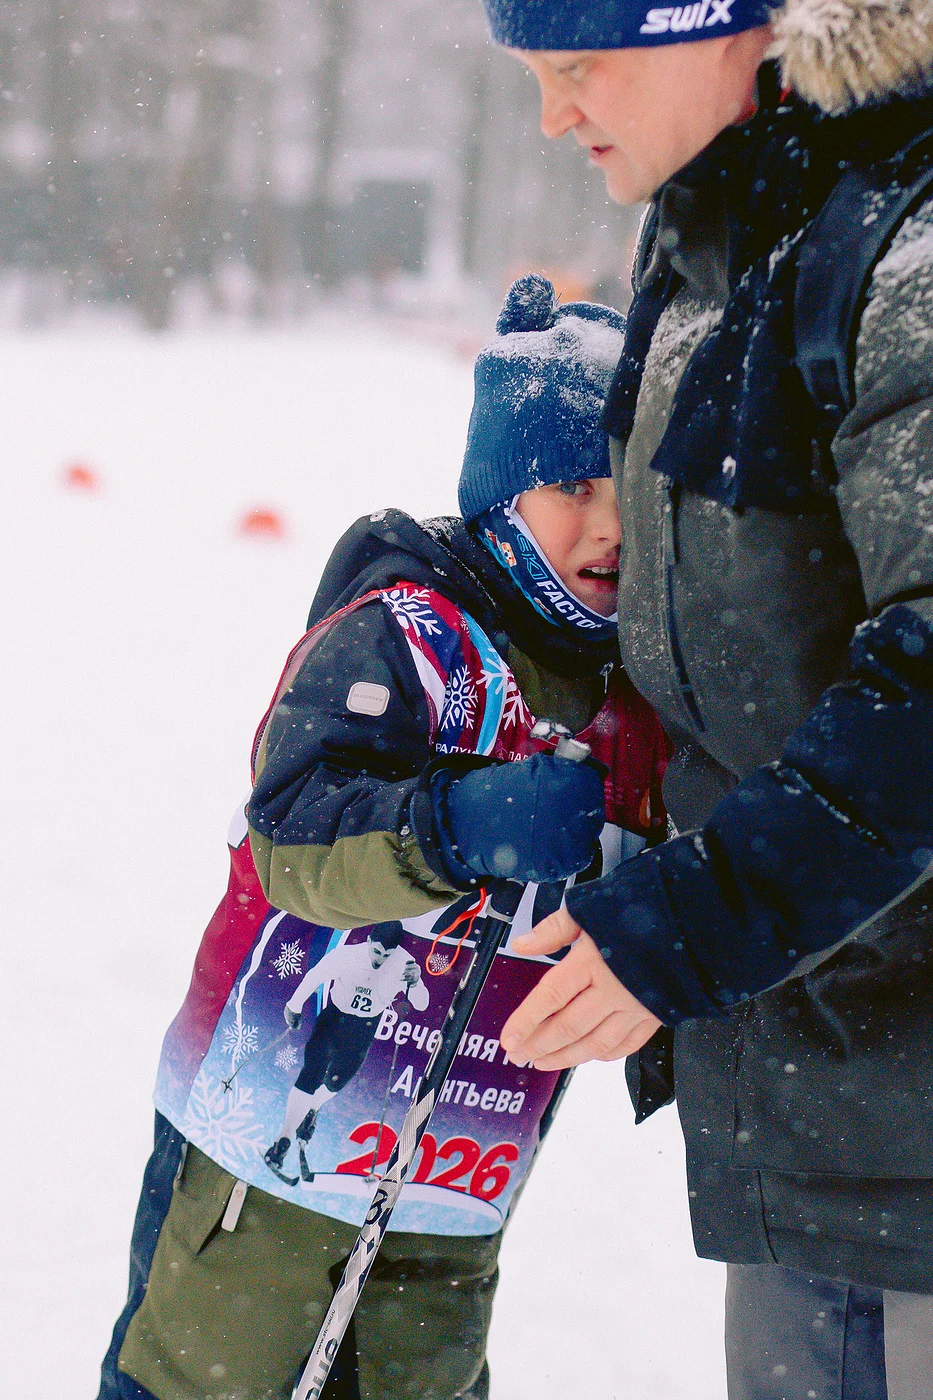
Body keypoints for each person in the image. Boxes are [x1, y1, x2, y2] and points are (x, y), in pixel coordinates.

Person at [96, 274, 672, 1400]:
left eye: (633, 491)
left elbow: (668, 886)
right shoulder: (401, 641)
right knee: (201, 1374)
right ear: (504, 488)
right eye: (571, 484)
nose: (608, 523)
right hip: (254, 1167)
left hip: (458, 1182)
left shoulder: (638, 699)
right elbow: (291, 839)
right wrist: (451, 823)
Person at [477, 0, 933, 1396]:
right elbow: (734, 639)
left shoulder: (909, 247)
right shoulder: (710, 244)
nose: (555, 113)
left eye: (580, 65)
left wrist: (695, 920)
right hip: (813, 1083)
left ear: (726, 25)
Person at [267, 925, 428, 1185]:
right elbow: (314, 976)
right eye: (376, 952)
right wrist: (293, 1007)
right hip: (334, 1019)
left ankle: (313, 1108)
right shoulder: (346, 956)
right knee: (312, 1073)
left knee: (336, 1082)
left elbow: (421, 1003)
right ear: (368, 942)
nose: (379, 960)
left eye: (386, 956)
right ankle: (282, 1139)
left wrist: (416, 981)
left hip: (362, 1029)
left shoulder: (403, 963)